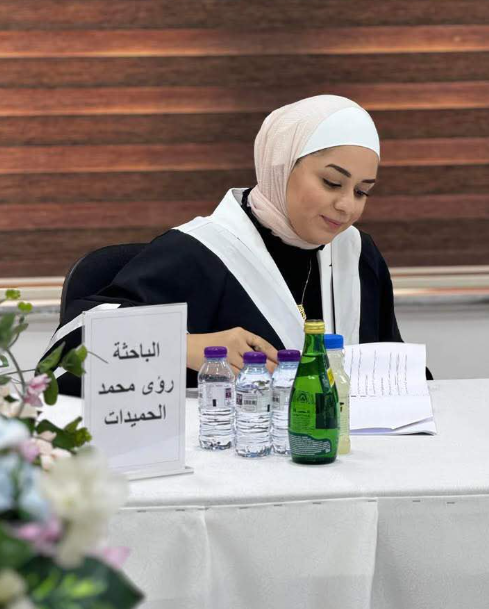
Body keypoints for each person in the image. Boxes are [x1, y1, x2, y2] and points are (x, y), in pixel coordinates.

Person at [45, 95, 405, 395]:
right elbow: (67, 355)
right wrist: (185, 346)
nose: (347, 206)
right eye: (331, 182)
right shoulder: (199, 252)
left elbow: (394, 370)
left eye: (362, 192)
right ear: (279, 166)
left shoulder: (357, 254)